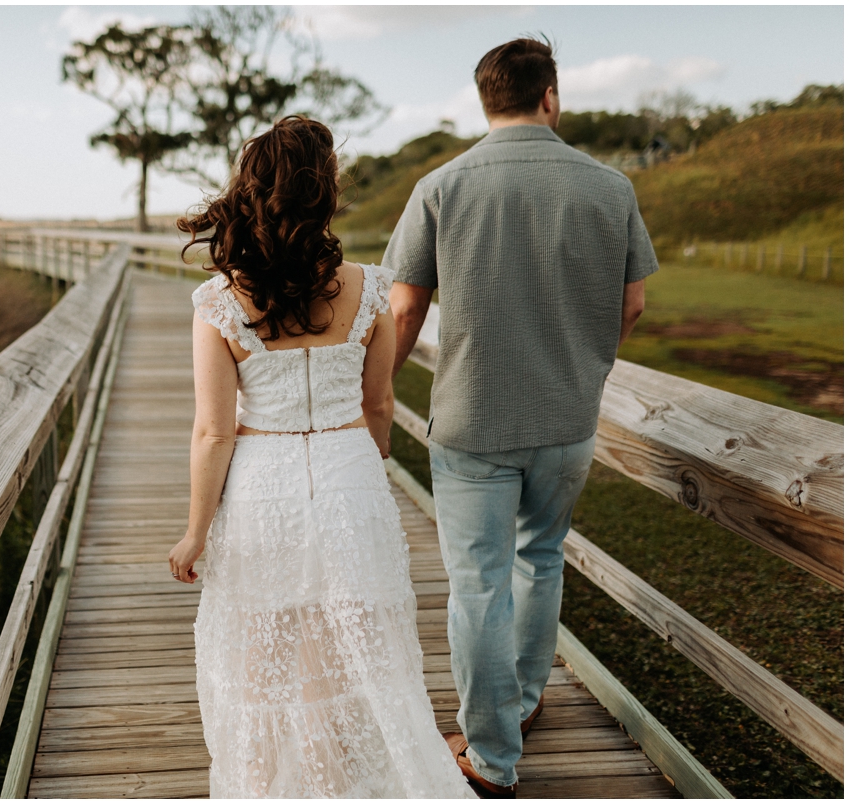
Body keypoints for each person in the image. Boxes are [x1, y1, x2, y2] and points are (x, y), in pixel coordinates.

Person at [168, 115, 476, 799]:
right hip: (350, 476)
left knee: (259, 652)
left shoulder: (219, 302)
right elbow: (378, 405)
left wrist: (195, 531)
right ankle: (336, 782)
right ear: (325, 193)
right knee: (342, 655)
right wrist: (366, 470)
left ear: (252, 192)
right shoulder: (369, 289)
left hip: (260, 486)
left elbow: (213, 432)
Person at [384, 38, 658, 797]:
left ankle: (492, 757)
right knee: (541, 557)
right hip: (567, 417)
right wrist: (586, 364)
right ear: (551, 97)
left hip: (473, 421)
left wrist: (377, 394)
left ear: (485, 100)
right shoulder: (611, 187)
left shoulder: (443, 185)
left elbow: (405, 305)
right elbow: (633, 301)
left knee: (478, 587)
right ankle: (527, 700)